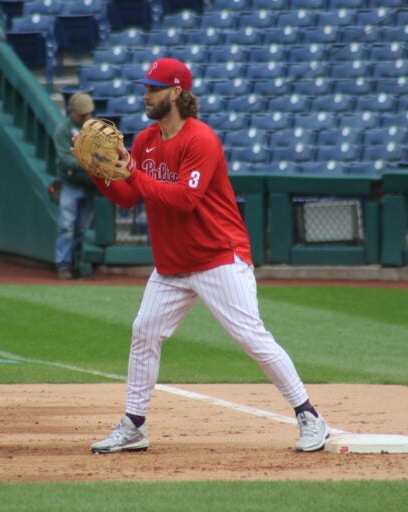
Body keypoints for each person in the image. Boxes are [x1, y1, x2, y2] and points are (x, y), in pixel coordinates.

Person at [87, 58, 329, 453]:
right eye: (145, 87)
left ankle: (310, 416)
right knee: (144, 332)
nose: (145, 94)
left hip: (218, 256)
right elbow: (130, 197)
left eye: (153, 88)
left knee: (252, 337)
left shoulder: (200, 140)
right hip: (172, 265)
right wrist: (99, 172)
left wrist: (131, 172)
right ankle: (133, 425)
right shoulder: (146, 140)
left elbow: (185, 199)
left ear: (177, 92)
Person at [53, 92, 98, 280]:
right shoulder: (63, 130)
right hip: (70, 184)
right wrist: (89, 163)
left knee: (81, 230)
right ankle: (63, 265)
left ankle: (78, 265)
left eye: (89, 114)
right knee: (67, 227)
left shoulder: (95, 128)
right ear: (72, 111)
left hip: (90, 184)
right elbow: (64, 159)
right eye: (82, 114)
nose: (86, 117)